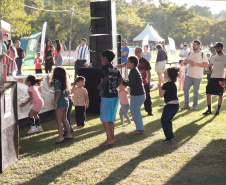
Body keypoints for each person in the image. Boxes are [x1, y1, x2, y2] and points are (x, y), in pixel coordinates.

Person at [97, 50, 123, 146]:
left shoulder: (104, 67)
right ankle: (112, 138)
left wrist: (100, 86)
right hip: (115, 95)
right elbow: (121, 79)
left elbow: (106, 78)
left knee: (104, 119)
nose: (101, 59)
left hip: (107, 95)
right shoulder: (115, 68)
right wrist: (115, 86)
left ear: (105, 58)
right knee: (111, 119)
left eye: (102, 57)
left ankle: (109, 139)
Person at [117, 47, 153, 116]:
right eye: (135, 51)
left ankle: (149, 111)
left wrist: (149, 83)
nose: (136, 53)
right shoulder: (131, 61)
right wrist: (114, 67)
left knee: (147, 98)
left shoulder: (145, 61)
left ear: (141, 52)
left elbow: (149, 72)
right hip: (135, 85)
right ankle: (135, 112)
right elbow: (122, 65)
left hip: (144, 83)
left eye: (137, 51)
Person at [181, 40, 208, 110]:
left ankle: (195, 105)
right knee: (185, 89)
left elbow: (206, 64)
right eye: (193, 45)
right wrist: (187, 62)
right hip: (189, 75)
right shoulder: (189, 53)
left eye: (195, 45)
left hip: (198, 76)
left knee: (195, 91)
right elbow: (184, 63)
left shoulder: (202, 54)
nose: (193, 46)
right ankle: (186, 104)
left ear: (199, 46)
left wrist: (195, 64)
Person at [50, 67, 73, 143]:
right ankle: (69, 134)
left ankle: (61, 137)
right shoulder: (66, 82)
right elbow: (68, 93)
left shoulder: (57, 82)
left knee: (59, 121)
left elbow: (58, 93)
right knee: (65, 119)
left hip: (60, 103)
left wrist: (55, 103)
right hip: (66, 103)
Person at [122, 56, 145, 134]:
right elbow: (132, 82)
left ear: (132, 63)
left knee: (134, 111)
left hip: (138, 95)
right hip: (138, 94)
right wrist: (124, 81)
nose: (126, 63)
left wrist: (123, 81)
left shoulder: (133, 71)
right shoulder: (133, 71)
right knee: (136, 111)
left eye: (128, 62)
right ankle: (140, 128)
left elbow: (132, 83)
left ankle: (139, 128)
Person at [158, 67, 181, 143]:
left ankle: (169, 137)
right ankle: (170, 135)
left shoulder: (166, 84)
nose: (165, 74)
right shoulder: (173, 84)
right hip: (176, 105)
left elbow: (161, 95)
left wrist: (159, 87)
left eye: (166, 73)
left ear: (170, 76)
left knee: (164, 121)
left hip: (170, 106)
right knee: (167, 120)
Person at [203, 42, 226, 116]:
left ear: (222, 48)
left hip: (221, 78)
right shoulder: (213, 57)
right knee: (208, 93)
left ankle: (218, 110)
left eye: (218, 48)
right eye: (216, 48)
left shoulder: (225, 57)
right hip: (212, 77)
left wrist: (225, 80)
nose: (216, 49)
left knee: (220, 95)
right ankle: (209, 110)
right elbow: (210, 65)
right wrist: (210, 69)